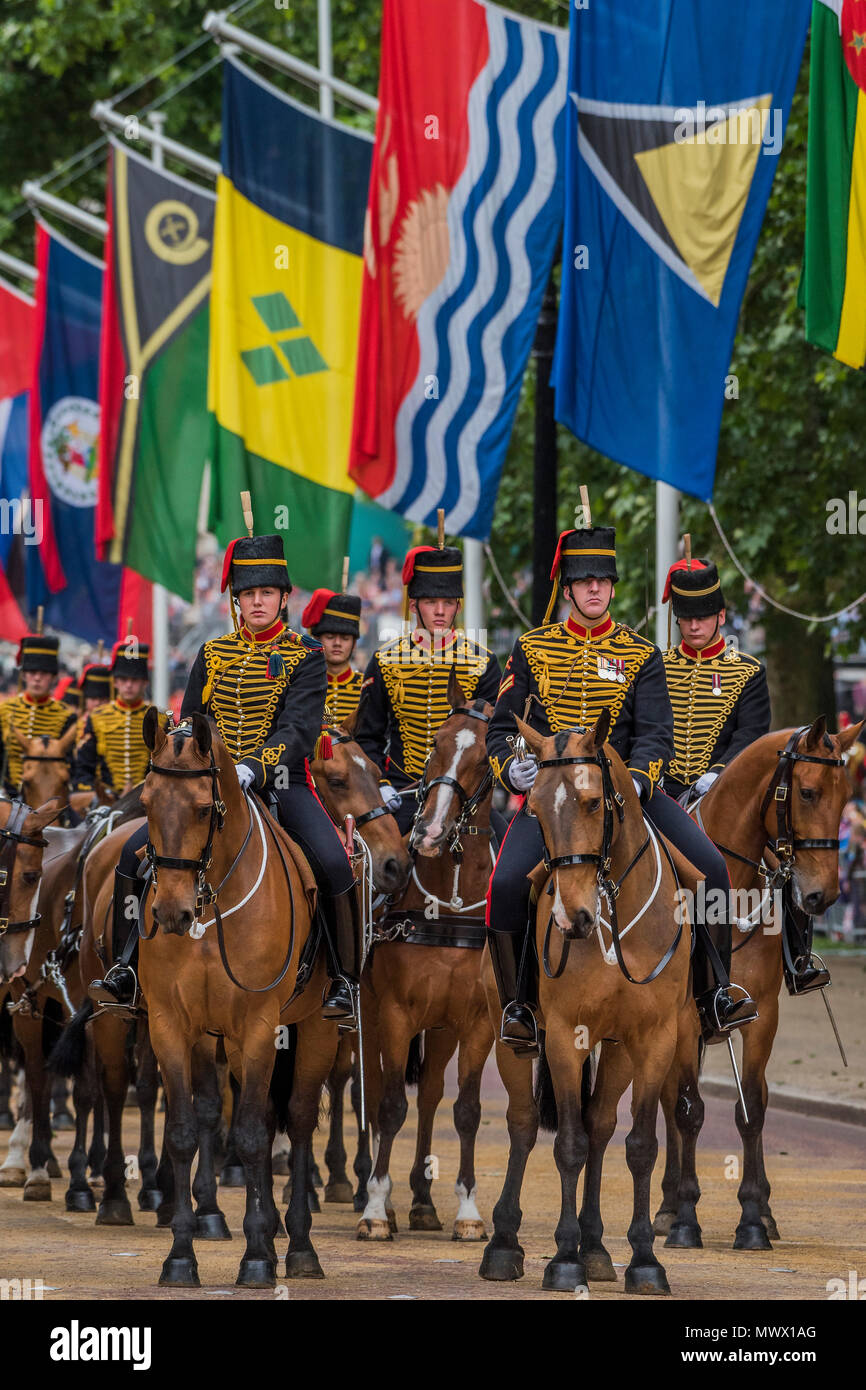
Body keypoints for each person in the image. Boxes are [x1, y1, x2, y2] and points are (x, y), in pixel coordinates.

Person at [486, 523, 759, 1056]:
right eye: (583, 581)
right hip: (557, 803)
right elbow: (500, 730)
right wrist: (512, 769)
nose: (594, 589)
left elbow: (657, 733)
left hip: (627, 799)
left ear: (613, 586)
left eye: (603, 580)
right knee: (502, 890)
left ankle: (714, 994)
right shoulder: (531, 649)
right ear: (566, 589)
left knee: (714, 874)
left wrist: (637, 778)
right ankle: (520, 1006)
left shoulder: (641, 654)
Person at [88, 532, 363, 1025]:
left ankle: (343, 978)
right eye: (248, 594)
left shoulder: (307, 656)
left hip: (281, 783)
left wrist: (250, 767)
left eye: (266, 594)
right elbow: (193, 718)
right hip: (207, 785)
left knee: (333, 863)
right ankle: (125, 966)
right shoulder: (212, 653)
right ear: (237, 600)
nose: (257, 602)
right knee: (132, 855)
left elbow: (299, 730)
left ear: (284, 598)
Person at [355, 541, 504, 838]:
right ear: (413, 605)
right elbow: (367, 737)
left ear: (458, 607)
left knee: (507, 870)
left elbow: (496, 735)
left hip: (466, 796)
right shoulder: (384, 661)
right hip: (402, 793)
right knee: (369, 866)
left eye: (448, 603)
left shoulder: (483, 662)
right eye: (430, 602)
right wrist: (382, 786)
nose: (439, 611)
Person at [661, 559, 771, 802]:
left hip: (722, 792)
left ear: (721, 616)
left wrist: (718, 772)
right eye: (686, 618)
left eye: (702, 617)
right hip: (662, 791)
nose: (694, 626)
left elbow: (750, 735)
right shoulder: (657, 666)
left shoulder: (749, 671)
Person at [0, 634, 76, 795]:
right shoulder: (4, 710)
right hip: (8, 793)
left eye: (44, 673)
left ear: (54, 677)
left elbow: (69, 761)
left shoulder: (66, 716)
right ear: (24, 675)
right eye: (32, 672)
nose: (37, 678)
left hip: (50, 795)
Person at [72, 645, 150, 796]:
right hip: (104, 799)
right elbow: (85, 765)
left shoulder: (160, 719)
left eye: (135, 680)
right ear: (114, 682)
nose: (129, 685)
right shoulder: (97, 717)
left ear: (144, 682)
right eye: (123, 679)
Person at [301, 587, 365, 726]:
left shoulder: (365, 687)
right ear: (318, 641)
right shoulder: (304, 684)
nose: (337, 643)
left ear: (354, 644)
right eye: (330, 637)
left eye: (345, 638)